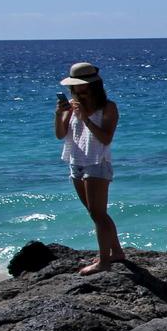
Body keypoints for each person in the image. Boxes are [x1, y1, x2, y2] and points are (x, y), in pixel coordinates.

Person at [54, 61, 126, 275]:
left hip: (97, 162)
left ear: (92, 85)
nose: (77, 89)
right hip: (76, 161)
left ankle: (104, 261)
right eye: (75, 86)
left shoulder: (108, 107)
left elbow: (105, 138)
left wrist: (85, 118)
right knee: (95, 213)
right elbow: (60, 134)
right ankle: (117, 252)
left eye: (81, 85)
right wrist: (60, 114)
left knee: (98, 213)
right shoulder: (71, 104)